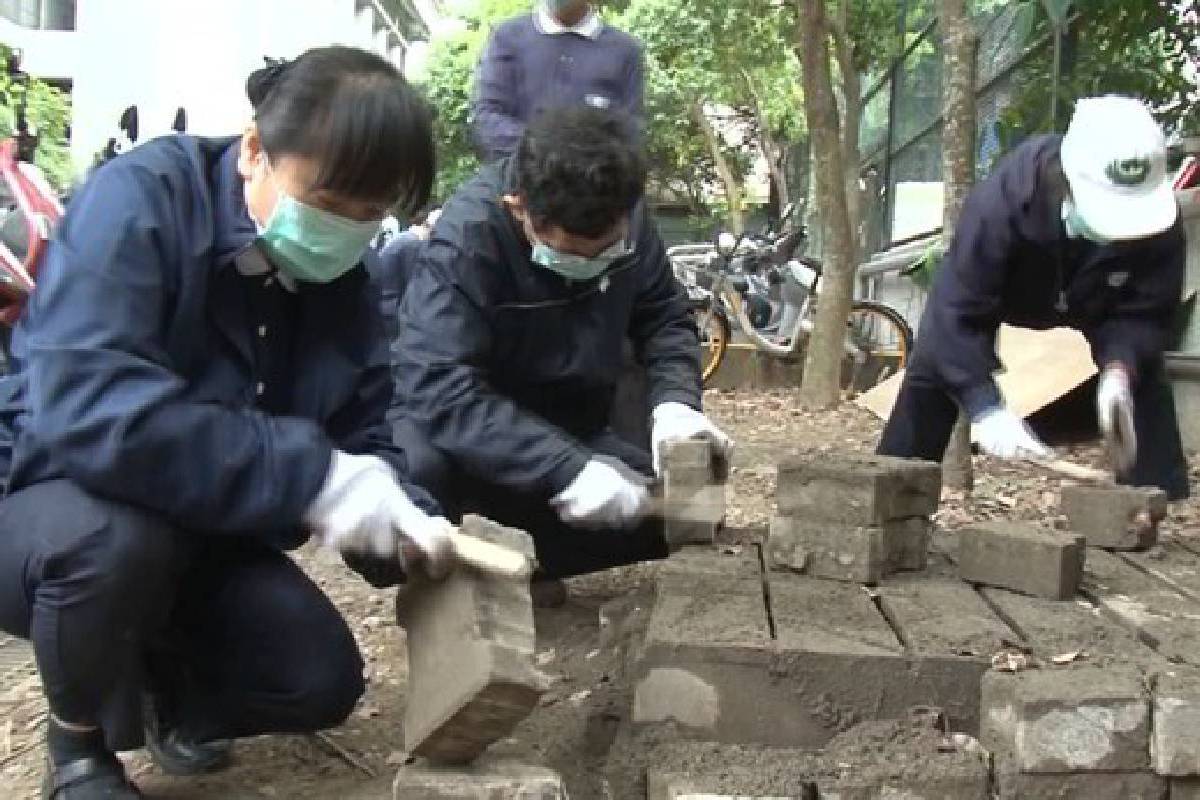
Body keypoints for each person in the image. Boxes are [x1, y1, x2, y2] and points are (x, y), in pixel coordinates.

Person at [0, 47, 455, 799]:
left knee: (317, 680)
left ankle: (163, 695)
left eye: (370, 215)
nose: (346, 230)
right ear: (254, 151)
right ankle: (78, 745)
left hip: (206, 525)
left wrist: (411, 524)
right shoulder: (141, 201)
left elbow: (367, 426)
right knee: (115, 544)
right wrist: (312, 473)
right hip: (52, 498)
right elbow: (87, 405)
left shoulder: (343, 281)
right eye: (332, 201)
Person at [392, 106, 732, 589]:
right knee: (417, 474)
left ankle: (534, 560)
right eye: (572, 253)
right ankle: (458, 580)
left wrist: (677, 405)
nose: (592, 264)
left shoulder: (629, 217)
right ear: (519, 208)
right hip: (477, 428)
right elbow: (438, 384)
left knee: (650, 521)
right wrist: (562, 468)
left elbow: (665, 317)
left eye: (606, 250)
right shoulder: (470, 238)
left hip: (572, 417)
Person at [878, 96, 1188, 500]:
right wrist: (984, 406)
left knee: (1141, 376)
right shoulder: (1004, 201)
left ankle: (1149, 507)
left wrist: (1120, 368)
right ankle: (889, 493)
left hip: (1097, 296)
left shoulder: (1156, 219)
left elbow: (1146, 313)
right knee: (934, 365)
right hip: (1015, 289)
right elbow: (956, 312)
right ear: (1067, 180)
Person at [472, 0, 644, 163]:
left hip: (594, 187)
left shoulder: (625, 51)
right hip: (517, 184)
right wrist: (546, 151)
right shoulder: (507, 38)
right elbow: (487, 117)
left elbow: (630, 135)